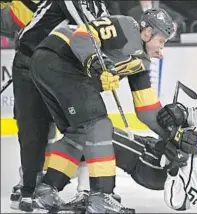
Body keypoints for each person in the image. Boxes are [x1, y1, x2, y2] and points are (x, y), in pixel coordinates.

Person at [29, 8, 174, 213]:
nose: (162, 49)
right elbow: (82, 36)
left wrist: (173, 132)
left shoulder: (141, 62)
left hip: (49, 65)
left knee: (78, 134)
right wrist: (97, 61)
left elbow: (147, 110)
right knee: (99, 126)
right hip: (59, 59)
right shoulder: (125, 26)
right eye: (162, 40)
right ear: (148, 33)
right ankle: (101, 198)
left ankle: (46, 191)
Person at [0, 0, 109, 212]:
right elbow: (89, 29)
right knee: (36, 130)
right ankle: (31, 187)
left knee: (84, 124)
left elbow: (99, 31)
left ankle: (78, 190)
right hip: (32, 62)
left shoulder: (99, 5)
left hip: (57, 65)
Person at [110, 100, 197, 211]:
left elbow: (178, 203)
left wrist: (174, 168)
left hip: (153, 170)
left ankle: (101, 197)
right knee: (103, 137)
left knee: (103, 137)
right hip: (158, 146)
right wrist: (180, 112)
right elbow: (191, 114)